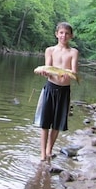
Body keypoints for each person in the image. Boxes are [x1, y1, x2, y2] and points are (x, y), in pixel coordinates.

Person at [35, 22, 79, 161]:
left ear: (71, 36)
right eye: (61, 33)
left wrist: (69, 74)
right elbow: (48, 68)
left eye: (66, 33)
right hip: (50, 88)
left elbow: (74, 71)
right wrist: (45, 73)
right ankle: (42, 153)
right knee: (44, 122)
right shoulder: (50, 50)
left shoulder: (74, 52)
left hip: (64, 90)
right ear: (56, 34)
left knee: (57, 123)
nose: (63, 36)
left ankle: (49, 150)